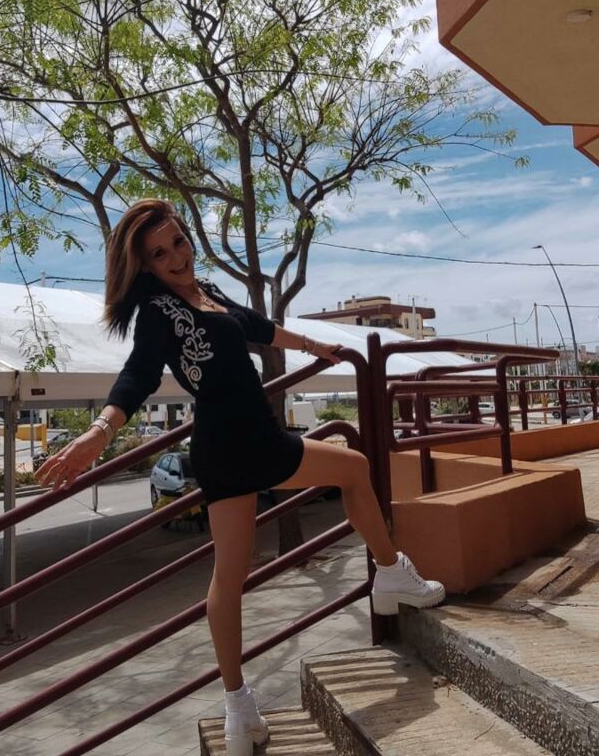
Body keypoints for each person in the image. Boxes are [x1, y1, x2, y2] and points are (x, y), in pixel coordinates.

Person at [36, 199, 445, 756]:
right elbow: (138, 374)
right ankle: (391, 572)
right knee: (353, 469)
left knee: (231, 576)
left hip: (229, 445)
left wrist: (315, 346)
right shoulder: (157, 311)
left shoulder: (207, 293)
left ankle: (239, 707)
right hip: (245, 441)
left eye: (178, 242)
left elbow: (260, 327)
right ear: (145, 266)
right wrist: (99, 432)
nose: (176, 257)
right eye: (159, 254)